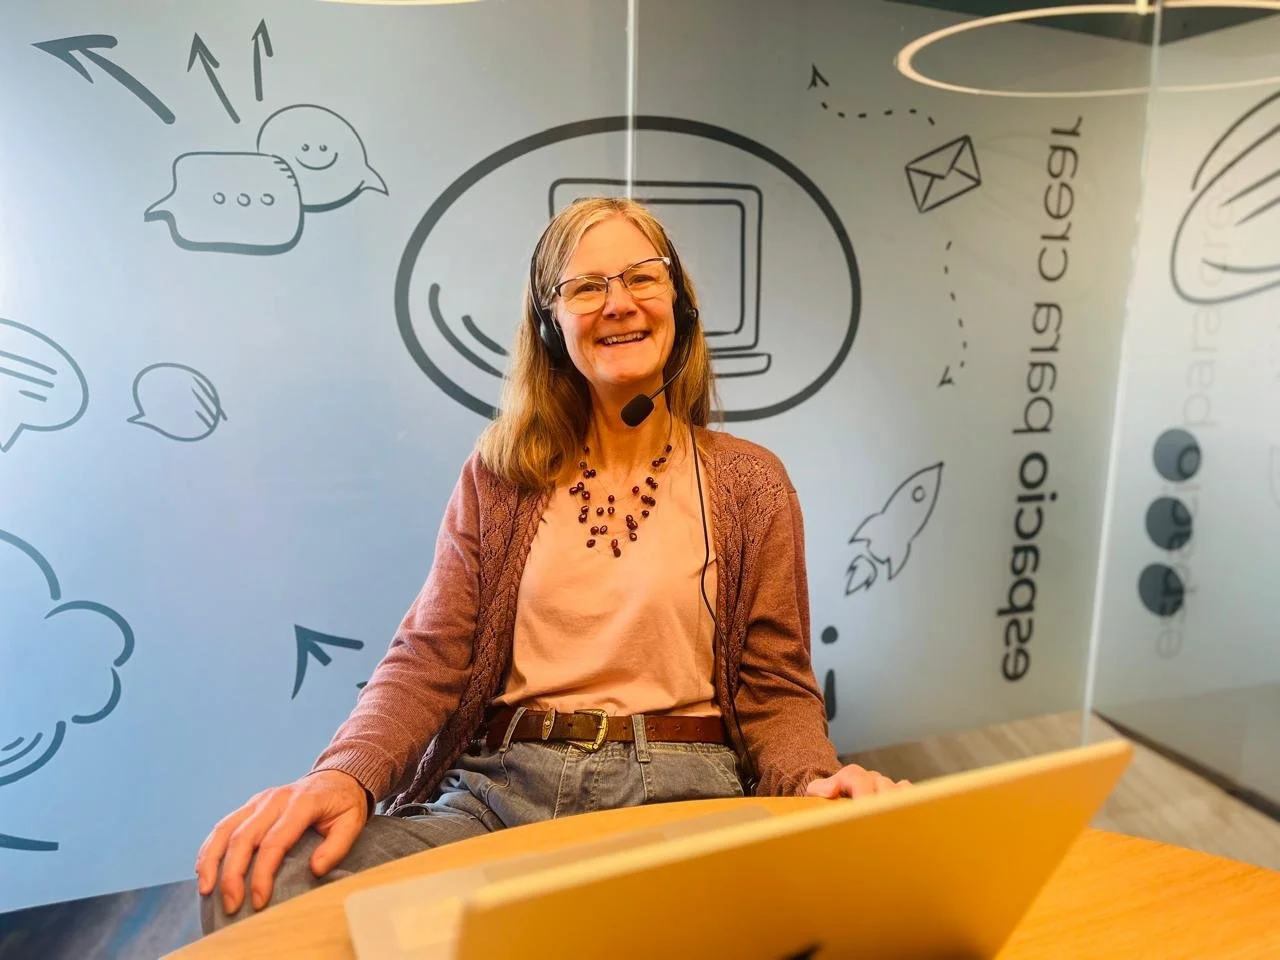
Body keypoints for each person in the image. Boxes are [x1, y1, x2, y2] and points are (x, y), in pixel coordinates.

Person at [196, 196, 908, 933]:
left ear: (681, 306)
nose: (618, 304)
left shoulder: (750, 482)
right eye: (585, 287)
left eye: (641, 278)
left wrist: (815, 781)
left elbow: (775, 688)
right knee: (261, 884)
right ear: (549, 322)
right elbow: (429, 657)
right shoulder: (500, 474)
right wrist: (345, 773)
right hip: (499, 798)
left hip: (683, 799)